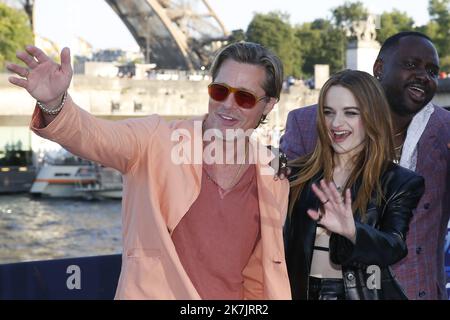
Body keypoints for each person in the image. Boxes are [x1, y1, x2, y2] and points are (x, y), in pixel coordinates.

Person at [7, 42, 292, 300]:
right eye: (219, 91)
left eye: (244, 98)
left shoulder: (273, 177)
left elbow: (259, 274)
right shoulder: (155, 140)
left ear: (268, 105)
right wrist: (55, 104)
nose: (227, 105)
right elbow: (95, 136)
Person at [280, 31, 450, 300]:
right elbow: (277, 212)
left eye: (431, 71)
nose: (423, 76)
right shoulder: (306, 123)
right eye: (411, 65)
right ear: (379, 68)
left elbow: (396, 241)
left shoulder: (445, 131)